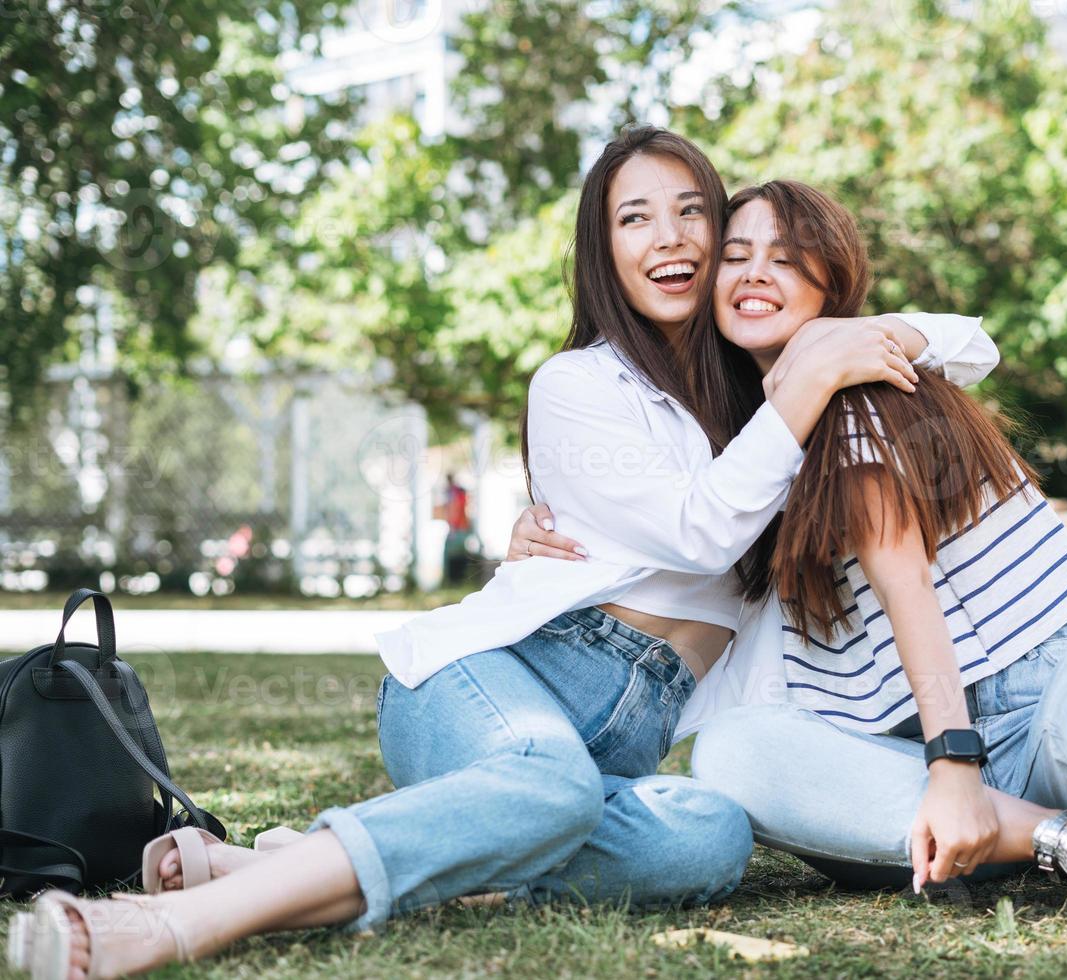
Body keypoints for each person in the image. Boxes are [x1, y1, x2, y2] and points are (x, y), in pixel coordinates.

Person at [4, 129, 995, 980]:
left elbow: (971, 340)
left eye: (694, 212)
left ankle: (317, 852)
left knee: (711, 836)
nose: (671, 238)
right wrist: (805, 384)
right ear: (603, 249)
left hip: (623, 739)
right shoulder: (578, 385)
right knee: (548, 782)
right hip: (493, 678)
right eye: (636, 217)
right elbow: (703, 528)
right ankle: (177, 922)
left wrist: (838, 346)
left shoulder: (766, 387)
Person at [513, 181, 1067, 977]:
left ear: (832, 286)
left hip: (1032, 688)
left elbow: (907, 592)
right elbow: (682, 530)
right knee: (731, 755)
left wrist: (955, 767)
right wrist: (546, 531)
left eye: (787, 260)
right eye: (737, 255)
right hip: (901, 749)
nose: (756, 274)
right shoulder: (753, 442)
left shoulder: (857, 390)